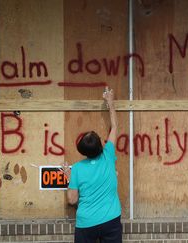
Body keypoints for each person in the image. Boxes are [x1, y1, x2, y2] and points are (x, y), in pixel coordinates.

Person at [61, 87, 122, 243]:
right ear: (101, 146)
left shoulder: (77, 169)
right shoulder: (108, 155)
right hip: (111, 220)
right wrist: (111, 102)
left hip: (86, 223)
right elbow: (114, 127)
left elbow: (72, 200)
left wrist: (70, 178)